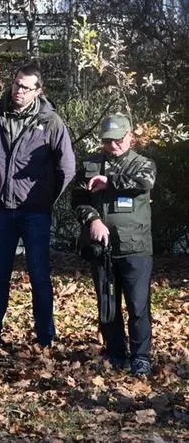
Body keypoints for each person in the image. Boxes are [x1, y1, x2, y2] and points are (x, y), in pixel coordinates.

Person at [0, 64, 75, 348]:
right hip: (1, 210)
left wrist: (48, 199)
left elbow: (68, 167)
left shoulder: (51, 122)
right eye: (16, 85)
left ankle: (46, 338)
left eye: (25, 87)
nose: (18, 91)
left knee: (39, 276)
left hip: (35, 213)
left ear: (38, 91)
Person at [72, 113, 156, 376]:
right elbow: (77, 199)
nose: (114, 146)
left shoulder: (143, 164)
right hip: (102, 247)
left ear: (130, 136)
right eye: (108, 141)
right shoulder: (90, 165)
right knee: (107, 303)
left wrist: (111, 182)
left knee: (138, 305)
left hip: (135, 247)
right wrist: (93, 220)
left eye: (118, 140)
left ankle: (141, 356)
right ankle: (115, 352)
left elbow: (145, 182)